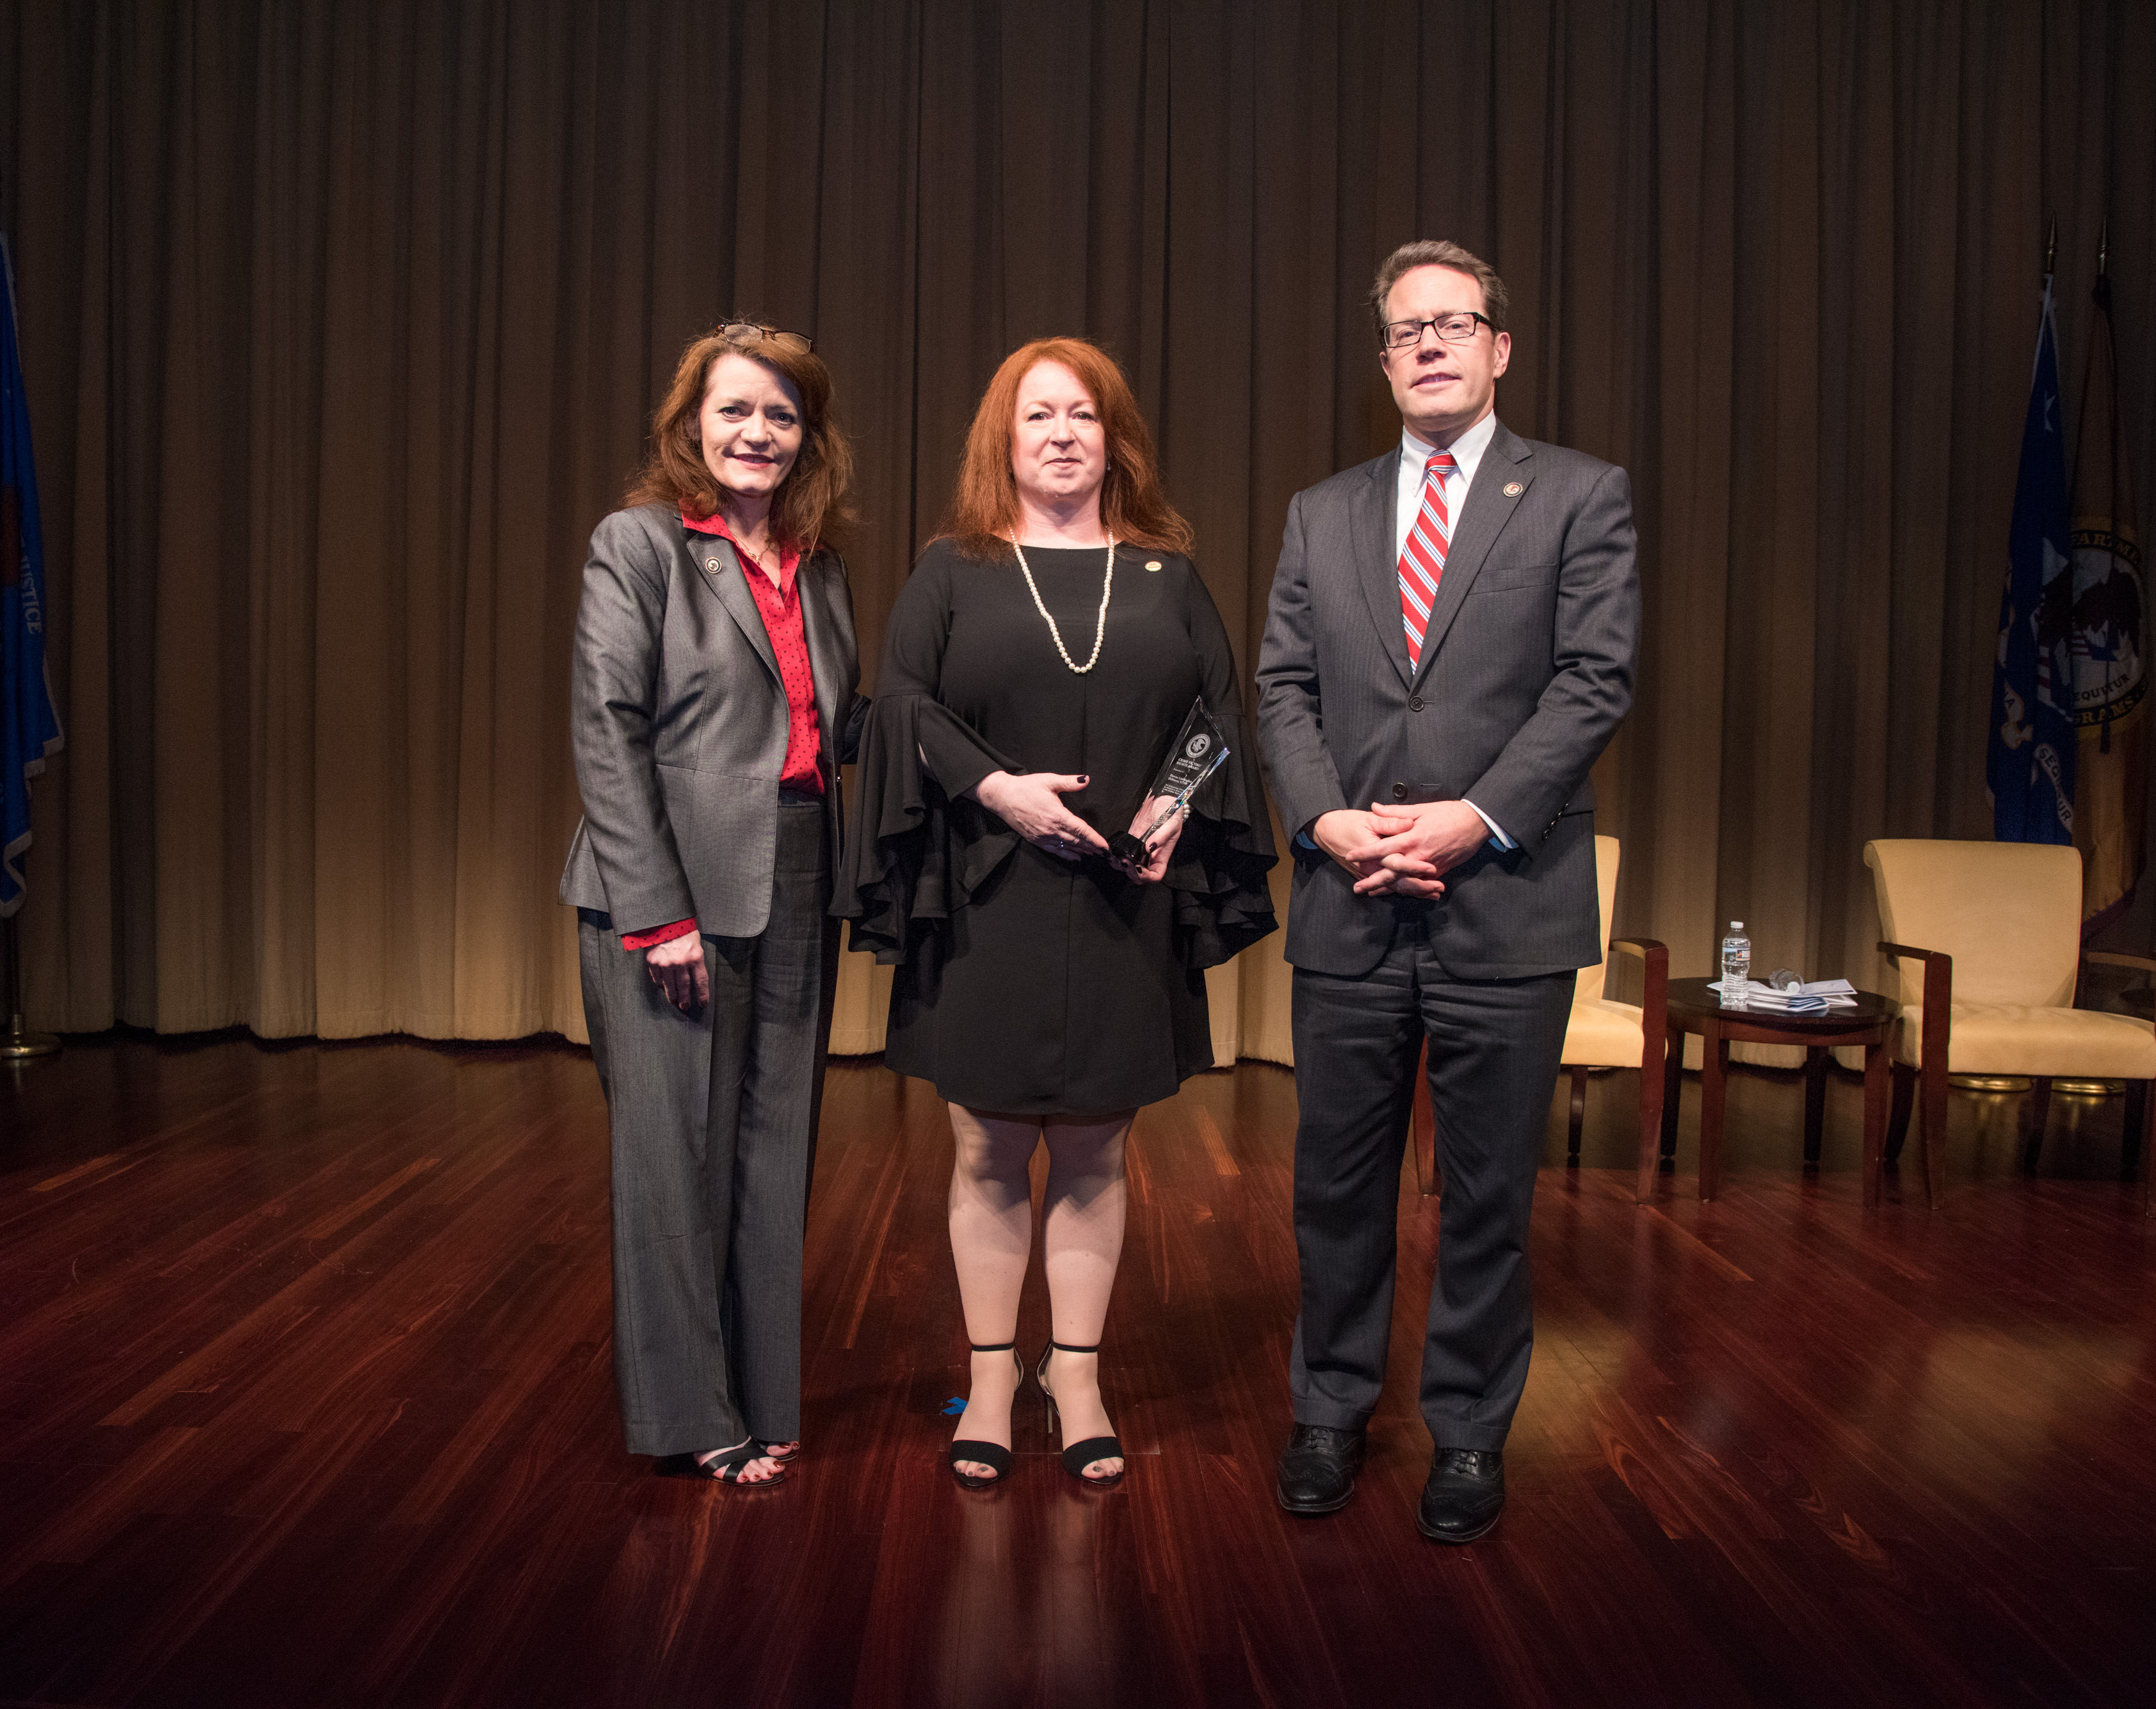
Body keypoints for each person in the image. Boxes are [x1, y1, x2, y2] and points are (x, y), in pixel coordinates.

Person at [838, 338, 1276, 1489]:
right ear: (1005, 439)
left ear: (1113, 436)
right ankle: (990, 1375)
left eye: (1083, 415)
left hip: (1127, 897)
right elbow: (901, 711)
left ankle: (1073, 1374)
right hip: (990, 895)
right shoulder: (953, 570)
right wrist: (998, 788)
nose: (1063, 434)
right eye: (1038, 417)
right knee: (986, 1144)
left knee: (1096, 1148)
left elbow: (1219, 711)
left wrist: (1177, 804)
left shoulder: (1167, 574)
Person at [1254, 241, 1638, 1542]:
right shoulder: (1321, 512)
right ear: (1382, 360)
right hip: (1348, 894)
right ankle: (1328, 1409)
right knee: (1334, 1186)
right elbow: (1281, 690)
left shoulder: (1580, 496)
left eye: (1453, 323)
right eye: (1405, 329)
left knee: (1485, 1194)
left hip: (1503, 904)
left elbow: (1590, 681)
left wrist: (1471, 822)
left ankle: (1467, 1432)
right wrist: (1325, 819)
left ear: (1497, 350)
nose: (1428, 344)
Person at [559, 322, 860, 1489]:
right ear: (693, 423)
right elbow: (607, 727)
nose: (758, 433)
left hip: (797, 870)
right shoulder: (636, 545)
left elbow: (834, 724)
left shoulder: (817, 558)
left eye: (782, 415)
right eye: (735, 410)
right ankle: (690, 1412)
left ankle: (765, 1392)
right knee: (673, 1155)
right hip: (668, 886)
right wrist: (657, 911)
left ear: (808, 436)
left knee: (775, 1149)